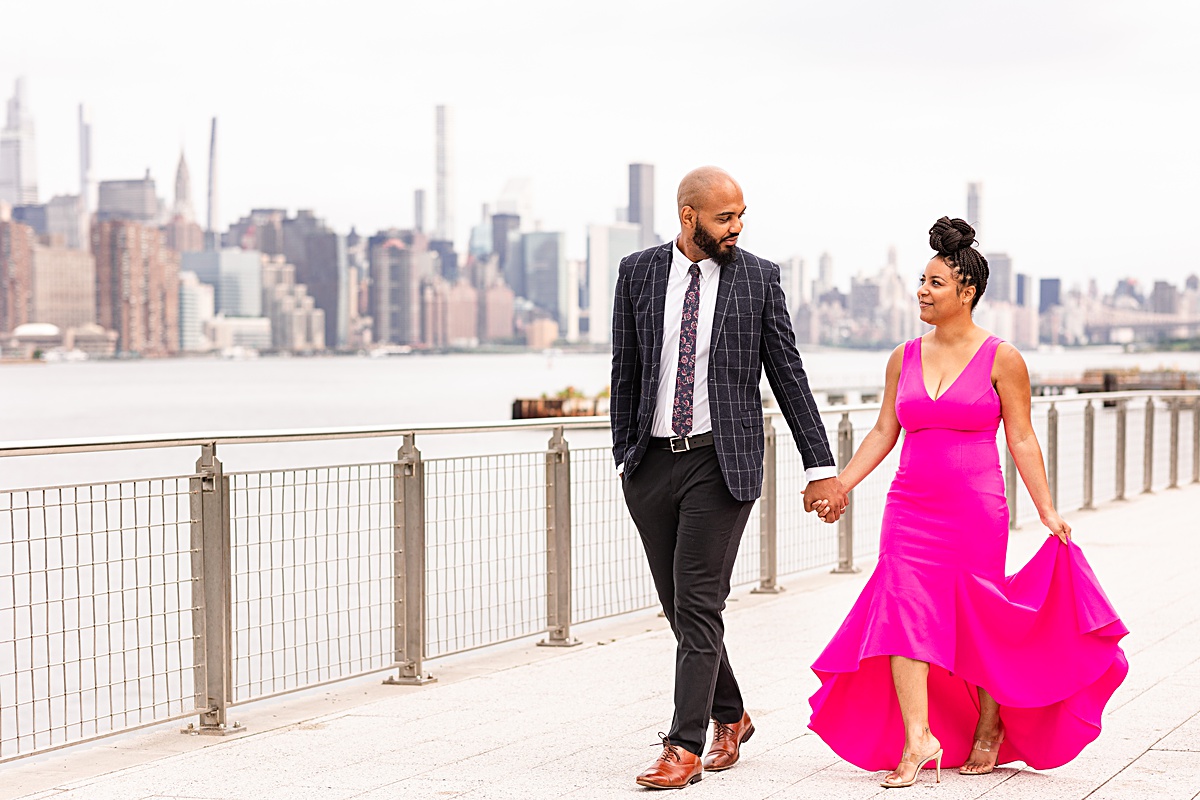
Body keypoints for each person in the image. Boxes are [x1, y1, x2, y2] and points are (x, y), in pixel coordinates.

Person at [807, 217, 1129, 788]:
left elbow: (1022, 438)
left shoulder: (1003, 358)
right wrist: (842, 484)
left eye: (934, 283)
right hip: (908, 507)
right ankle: (917, 740)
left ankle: (989, 722)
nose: (921, 292)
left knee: (976, 618)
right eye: (921, 281)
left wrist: (1048, 510)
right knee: (903, 612)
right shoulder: (902, 356)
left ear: (967, 292)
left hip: (975, 510)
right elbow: (885, 431)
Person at [611, 166, 847, 789]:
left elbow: (788, 377)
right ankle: (732, 713)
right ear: (688, 217)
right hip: (652, 462)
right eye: (724, 218)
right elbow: (626, 368)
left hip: (722, 462)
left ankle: (682, 746)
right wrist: (624, 456)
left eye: (741, 216)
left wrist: (820, 468)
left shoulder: (759, 279)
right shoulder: (636, 272)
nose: (736, 228)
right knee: (680, 608)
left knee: (697, 601)